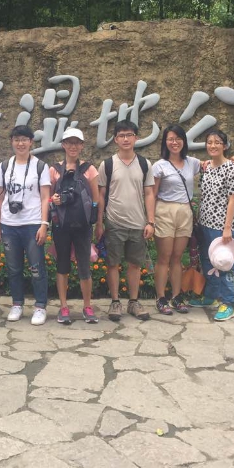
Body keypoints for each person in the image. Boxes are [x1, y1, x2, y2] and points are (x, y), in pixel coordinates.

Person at [96, 120, 156, 322]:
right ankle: (115, 302)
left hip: (138, 223)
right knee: (113, 264)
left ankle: (133, 301)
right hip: (114, 222)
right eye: (121, 135)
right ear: (115, 139)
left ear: (136, 138)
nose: (125, 139)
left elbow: (149, 193)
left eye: (129, 135)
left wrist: (150, 222)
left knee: (135, 265)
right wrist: (99, 223)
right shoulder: (107, 165)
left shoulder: (145, 164)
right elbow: (101, 195)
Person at [0, 125, 51, 325]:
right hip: (9, 224)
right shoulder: (4, 166)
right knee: (14, 268)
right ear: (11, 142)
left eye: (24, 139)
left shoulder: (40, 166)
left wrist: (44, 224)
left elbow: (45, 197)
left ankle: (40, 306)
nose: (20, 143)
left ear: (31, 142)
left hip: (32, 223)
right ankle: (17, 303)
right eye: (17, 139)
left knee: (36, 267)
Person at [49, 127, 100, 324]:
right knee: (62, 266)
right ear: (63, 145)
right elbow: (47, 198)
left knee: (84, 267)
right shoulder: (54, 170)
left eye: (76, 143)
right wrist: (54, 200)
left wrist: (97, 222)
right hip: (61, 225)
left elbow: (96, 199)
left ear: (82, 146)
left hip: (83, 226)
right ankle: (63, 307)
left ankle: (87, 306)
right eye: (69, 142)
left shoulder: (89, 170)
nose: (73, 146)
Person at [190, 129, 234, 321]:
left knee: (226, 263)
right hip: (205, 223)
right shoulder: (206, 167)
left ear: (225, 146)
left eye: (217, 142)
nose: (213, 145)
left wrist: (227, 228)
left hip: (222, 226)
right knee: (208, 261)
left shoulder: (231, 168)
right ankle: (211, 296)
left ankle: (229, 302)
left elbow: (232, 199)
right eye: (210, 142)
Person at [151, 125, 199, 315]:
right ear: (165, 142)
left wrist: (232, 159)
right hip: (164, 210)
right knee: (164, 256)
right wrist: (150, 219)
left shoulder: (192, 162)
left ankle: (177, 297)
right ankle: (161, 297)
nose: (174, 142)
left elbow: (213, 163)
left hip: (185, 211)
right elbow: (152, 194)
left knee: (178, 257)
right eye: (170, 139)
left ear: (184, 141)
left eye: (178, 138)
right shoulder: (159, 166)